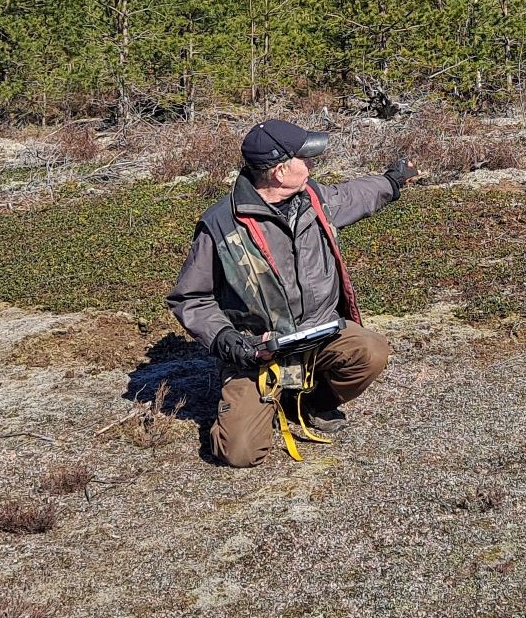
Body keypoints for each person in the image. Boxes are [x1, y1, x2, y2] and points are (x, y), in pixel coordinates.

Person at [166, 119, 418, 467]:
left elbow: (355, 195)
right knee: (239, 452)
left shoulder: (313, 199)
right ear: (280, 172)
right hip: (257, 352)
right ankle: (260, 399)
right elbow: (190, 298)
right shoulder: (220, 225)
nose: (312, 165)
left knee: (371, 351)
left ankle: (311, 402)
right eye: (305, 159)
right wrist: (226, 340)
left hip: (319, 333)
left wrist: (392, 181)